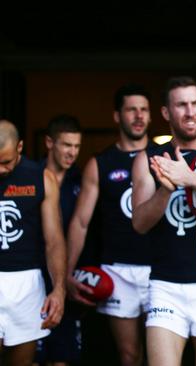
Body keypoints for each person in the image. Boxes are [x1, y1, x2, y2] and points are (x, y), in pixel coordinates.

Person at [131, 76, 196, 366]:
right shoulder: (149, 158)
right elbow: (139, 223)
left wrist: (189, 178)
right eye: (181, 105)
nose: (190, 112)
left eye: (195, 103)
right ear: (166, 113)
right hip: (166, 285)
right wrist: (166, 188)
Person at [66, 84, 153, 366]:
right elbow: (80, 222)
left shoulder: (164, 156)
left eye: (144, 110)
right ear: (117, 116)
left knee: (161, 355)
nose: (138, 116)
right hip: (117, 271)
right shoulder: (100, 163)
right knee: (129, 356)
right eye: (131, 110)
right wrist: (65, 274)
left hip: (161, 270)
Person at [0, 120, 65, 365]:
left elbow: (54, 240)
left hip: (26, 284)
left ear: (20, 147)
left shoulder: (41, 178)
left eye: (6, 162)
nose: (1, 169)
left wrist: (58, 288)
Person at [36, 115, 83, 366]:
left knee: (63, 358)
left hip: (69, 279)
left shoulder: (81, 180)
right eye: (66, 145)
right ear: (49, 143)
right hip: (34, 279)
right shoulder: (30, 178)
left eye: (77, 146)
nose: (72, 152)